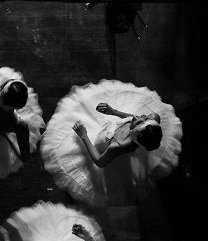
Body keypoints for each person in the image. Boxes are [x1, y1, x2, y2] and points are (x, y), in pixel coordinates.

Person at [41, 80, 182, 206]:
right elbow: (134, 118)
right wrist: (113, 111)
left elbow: (99, 162)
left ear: (136, 134)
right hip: (111, 129)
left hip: (100, 143)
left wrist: (84, 135)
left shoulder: (117, 146)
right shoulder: (152, 120)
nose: (140, 116)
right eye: (143, 118)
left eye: (140, 120)